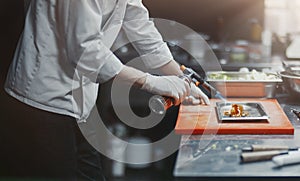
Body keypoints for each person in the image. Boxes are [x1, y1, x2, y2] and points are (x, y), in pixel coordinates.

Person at [4, 0, 209, 180]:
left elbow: (139, 24)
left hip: (79, 105)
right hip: (43, 102)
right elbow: (84, 50)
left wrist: (182, 80)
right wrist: (149, 82)